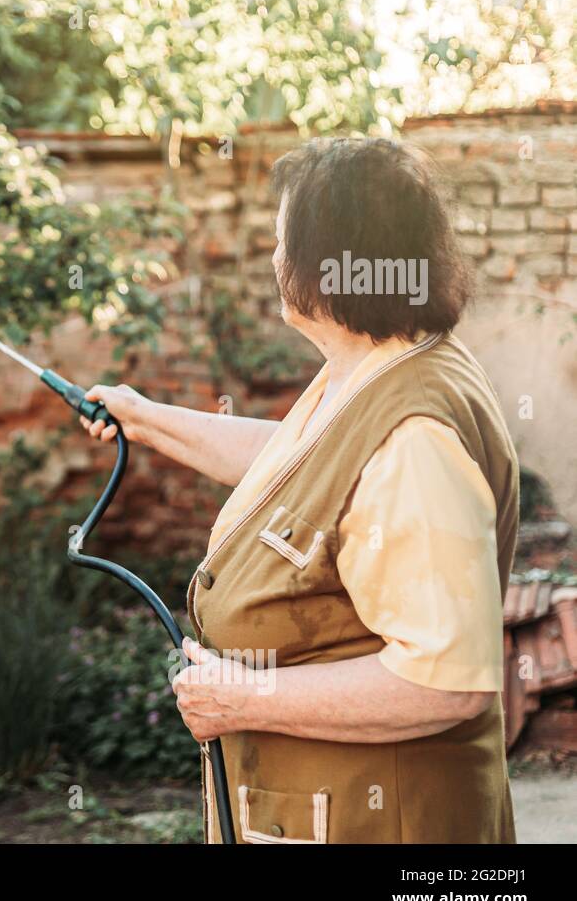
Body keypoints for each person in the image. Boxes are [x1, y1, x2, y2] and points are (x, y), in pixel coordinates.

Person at [81, 138, 518, 843]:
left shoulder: (415, 442)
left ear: (332, 267)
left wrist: (244, 696)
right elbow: (308, 472)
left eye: (285, 242)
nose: (275, 261)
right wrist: (147, 420)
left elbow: (448, 682)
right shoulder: (381, 360)